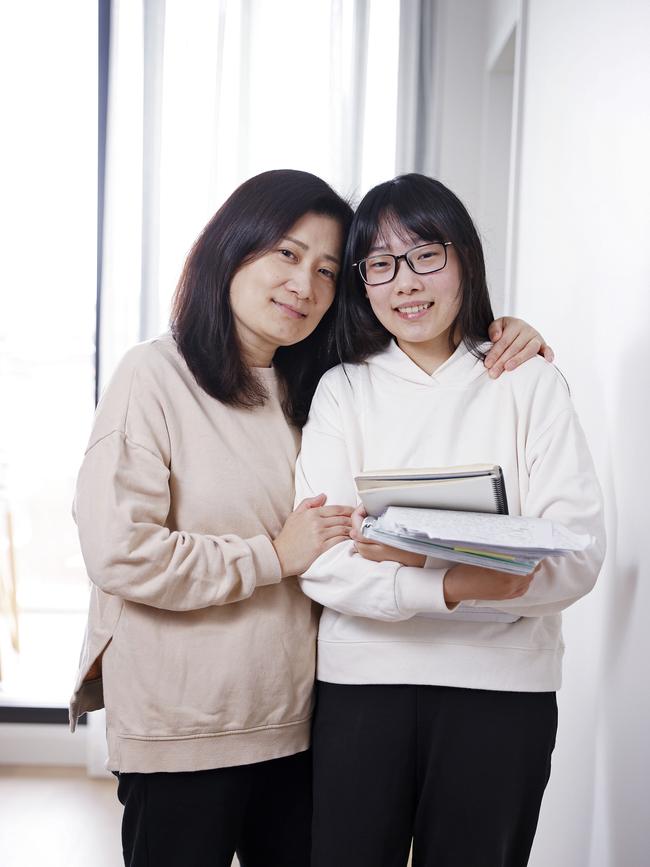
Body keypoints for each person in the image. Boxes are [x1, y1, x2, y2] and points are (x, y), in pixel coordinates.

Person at [69, 168, 553, 867]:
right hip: (185, 729)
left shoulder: (315, 386)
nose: (305, 284)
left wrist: (502, 331)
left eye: (328, 270)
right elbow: (119, 550)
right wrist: (274, 554)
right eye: (287, 255)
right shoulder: (154, 375)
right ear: (230, 249)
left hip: (295, 726)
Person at [295, 174, 606, 867]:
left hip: (502, 691)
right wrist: (456, 584)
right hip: (361, 685)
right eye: (380, 263)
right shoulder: (342, 389)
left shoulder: (528, 381)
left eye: (425, 255)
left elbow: (577, 551)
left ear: (464, 256)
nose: (404, 282)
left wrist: (403, 555)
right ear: (362, 281)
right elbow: (322, 554)